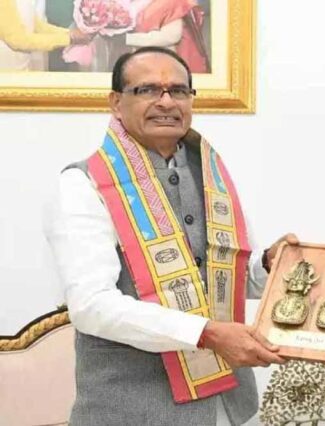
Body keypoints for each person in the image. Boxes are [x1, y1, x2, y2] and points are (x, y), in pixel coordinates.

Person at [46, 46, 294, 425]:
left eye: (178, 91)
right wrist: (206, 333)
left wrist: (269, 266)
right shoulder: (83, 184)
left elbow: (226, 282)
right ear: (116, 102)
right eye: (147, 90)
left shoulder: (211, 174)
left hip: (227, 407)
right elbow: (92, 306)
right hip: (133, 411)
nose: (166, 102)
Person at [0, 0, 91, 70]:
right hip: (7, 73)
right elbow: (18, 41)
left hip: (22, 67)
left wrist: (69, 33)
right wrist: (68, 39)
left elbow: (38, 27)